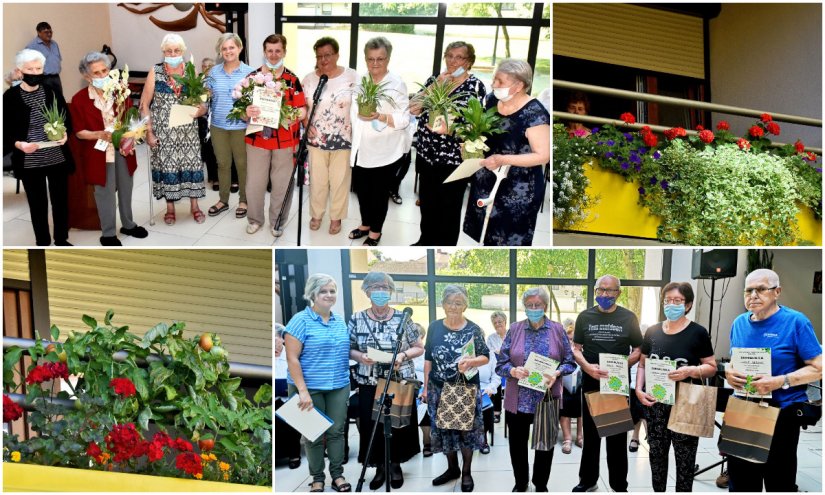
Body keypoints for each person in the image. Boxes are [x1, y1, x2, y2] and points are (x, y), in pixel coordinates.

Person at [724, 269, 822, 492]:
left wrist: (779, 381)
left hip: (781, 413)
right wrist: (729, 372)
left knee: (779, 481)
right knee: (740, 482)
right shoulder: (739, 322)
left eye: (761, 289)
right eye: (749, 290)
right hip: (743, 410)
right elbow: (734, 361)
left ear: (777, 292)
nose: (753, 295)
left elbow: (819, 368)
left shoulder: (796, 322)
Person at [636, 282, 716, 492]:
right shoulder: (652, 331)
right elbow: (643, 364)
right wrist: (638, 389)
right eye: (668, 300)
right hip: (656, 404)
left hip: (686, 403)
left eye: (678, 301)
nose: (672, 305)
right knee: (657, 456)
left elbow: (711, 367)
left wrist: (690, 371)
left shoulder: (697, 332)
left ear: (688, 305)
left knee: (685, 460)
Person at [495, 287, 576, 492]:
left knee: (545, 445)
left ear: (545, 306)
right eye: (529, 305)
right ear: (524, 307)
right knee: (517, 446)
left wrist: (557, 373)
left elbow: (570, 362)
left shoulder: (557, 329)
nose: (533, 309)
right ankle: (521, 483)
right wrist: (513, 371)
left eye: (537, 305)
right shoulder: (515, 329)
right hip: (518, 399)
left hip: (546, 398)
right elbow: (500, 364)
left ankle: (541, 484)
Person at [463, 59, 551, 246]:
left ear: (519, 85)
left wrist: (503, 159)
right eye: (494, 79)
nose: (494, 84)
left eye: (500, 81)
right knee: (484, 237)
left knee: (504, 242)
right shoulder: (492, 100)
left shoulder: (535, 113)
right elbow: (481, 130)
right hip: (487, 178)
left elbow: (543, 155)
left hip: (518, 188)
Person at [347, 272, 422, 489]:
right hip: (369, 381)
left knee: (397, 424)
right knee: (373, 425)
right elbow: (349, 349)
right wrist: (361, 356)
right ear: (367, 291)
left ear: (390, 291)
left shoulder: (403, 318)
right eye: (375, 287)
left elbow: (419, 347)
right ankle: (380, 465)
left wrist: (402, 355)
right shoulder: (356, 318)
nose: (380, 291)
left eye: (384, 287)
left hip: (398, 380)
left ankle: (396, 464)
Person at [410, 41, 486, 246]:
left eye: (459, 57)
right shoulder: (435, 79)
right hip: (427, 154)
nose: (453, 61)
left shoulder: (475, 86)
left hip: (453, 159)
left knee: (449, 208)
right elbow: (413, 108)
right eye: (449, 55)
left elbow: (477, 126)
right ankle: (425, 241)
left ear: (469, 62)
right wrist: (437, 85)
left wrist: (450, 129)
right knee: (427, 204)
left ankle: (445, 246)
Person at [69, 51, 148, 246]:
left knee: (126, 187)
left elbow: (130, 119)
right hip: (98, 152)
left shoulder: (120, 91)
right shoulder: (79, 99)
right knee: (104, 193)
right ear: (87, 76)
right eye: (97, 73)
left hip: (122, 148)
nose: (103, 75)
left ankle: (128, 224)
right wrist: (99, 134)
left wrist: (131, 138)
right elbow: (79, 132)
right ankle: (108, 233)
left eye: (105, 70)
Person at [572, 274, 642, 492]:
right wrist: (588, 367)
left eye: (609, 290)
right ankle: (588, 480)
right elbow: (576, 348)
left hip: (616, 385)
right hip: (591, 382)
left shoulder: (628, 318)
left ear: (618, 293)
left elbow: (638, 350)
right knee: (591, 436)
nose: (604, 294)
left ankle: (619, 484)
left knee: (617, 437)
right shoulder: (585, 317)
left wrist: (622, 366)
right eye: (600, 290)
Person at [283, 274, 352, 493]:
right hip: (308, 387)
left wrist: (362, 357)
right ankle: (317, 478)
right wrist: (302, 392)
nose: (329, 295)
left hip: (338, 385)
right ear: (312, 294)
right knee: (312, 434)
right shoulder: (300, 321)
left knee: (336, 432)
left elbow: (344, 351)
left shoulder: (339, 320)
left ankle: (338, 475)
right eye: (323, 291)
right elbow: (292, 358)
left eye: (332, 291)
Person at [422, 285, 490, 492]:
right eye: (449, 302)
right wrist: (426, 388)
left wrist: (471, 362)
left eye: (458, 303)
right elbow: (428, 359)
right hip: (438, 389)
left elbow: (485, 356)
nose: (453, 306)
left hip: (465, 389)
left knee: (465, 432)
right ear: (443, 304)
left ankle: (467, 472)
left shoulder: (474, 329)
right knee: (444, 430)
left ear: (465, 305)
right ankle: (452, 469)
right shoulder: (434, 327)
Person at [4, 49, 73, 246]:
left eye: (38, 68)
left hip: (57, 157)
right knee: (37, 205)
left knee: (60, 202)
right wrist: (19, 145)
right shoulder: (9, 97)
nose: (34, 73)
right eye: (29, 69)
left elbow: (66, 119)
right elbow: (5, 131)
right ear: (20, 71)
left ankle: (61, 239)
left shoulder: (52, 92)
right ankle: (42, 242)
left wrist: (65, 134)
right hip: (29, 160)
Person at [349, 37, 411, 246]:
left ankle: (375, 231)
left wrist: (380, 116)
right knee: (362, 191)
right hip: (361, 148)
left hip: (386, 151)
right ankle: (365, 224)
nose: (375, 64)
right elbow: (353, 110)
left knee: (378, 195)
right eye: (370, 59)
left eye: (380, 59)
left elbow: (404, 118)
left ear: (388, 59)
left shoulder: (396, 83)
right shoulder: (361, 80)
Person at [243, 34, 307, 237]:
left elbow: (302, 110)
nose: (273, 55)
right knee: (254, 183)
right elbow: (241, 111)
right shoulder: (252, 79)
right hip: (257, 139)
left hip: (285, 141)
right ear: (264, 52)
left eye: (277, 51)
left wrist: (289, 115)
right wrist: (248, 112)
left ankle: (277, 222)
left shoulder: (292, 80)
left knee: (281, 184)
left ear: (284, 52)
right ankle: (255, 220)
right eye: (269, 51)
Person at [140, 34, 207, 225]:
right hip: (164, 130)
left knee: (192, 165)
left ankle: (195, 206)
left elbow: (202, 102)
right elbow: (145, 103)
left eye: (177, 50)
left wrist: (200, 110)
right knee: (168, 166)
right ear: (163, 52)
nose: (173, 53)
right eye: (168, 51)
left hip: (188, 130)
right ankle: (170, 209)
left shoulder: (191, 71)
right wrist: (149, 131)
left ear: (182, 51)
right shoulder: (156, 71)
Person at [301, 37, 357, 236]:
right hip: (316, 139)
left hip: (343, 138)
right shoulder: (309, 79)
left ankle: (336, 217)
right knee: (318, 181)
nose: (323, 59)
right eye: (319, 56)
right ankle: (316, 214)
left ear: (337, 55)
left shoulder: (352, 77)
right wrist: (306, 123)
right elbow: (301, 108)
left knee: (340, 181)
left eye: (328, 55)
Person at [206, 33, 252, 219]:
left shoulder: (250, 72)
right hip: (218, 126)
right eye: (224, 48)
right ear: (220, 51)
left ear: (240, 49)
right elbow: (206, 97)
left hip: (241, 127)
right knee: (222, 164)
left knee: (242, 165)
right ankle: (223, 200)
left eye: (232, 47)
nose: (228, 51)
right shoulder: (213, 72)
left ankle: (244, 200)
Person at [274, 323, 301, 470]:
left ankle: (294, 454)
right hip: (272, 399)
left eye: (275, 340)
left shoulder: (291, 356)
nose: (274, 345)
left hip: (290, 397)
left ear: (282, 339)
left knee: (292, 415)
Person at [559, 317, 583, 454]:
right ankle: (567, 438)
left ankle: (580, 437)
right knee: (565, 403)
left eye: (573, 338)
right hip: (564, 384)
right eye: (568, 338)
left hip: (581, 384)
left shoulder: (582, 348)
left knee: (582, 405)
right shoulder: (561, 349)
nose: (571, 341)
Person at [412, 323, 433, 457]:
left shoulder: (426, 353)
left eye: (417, 335)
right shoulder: (404, 352)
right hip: (407, 387)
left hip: (424, 387)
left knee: (425, 409)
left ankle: (427, 442)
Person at [25, 22, 62, 97]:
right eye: (46, 32)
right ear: (39, 33)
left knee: (59, 99)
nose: (49, 34)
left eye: (50, 31)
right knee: (46, 99)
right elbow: (27, 65)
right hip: (43, 78)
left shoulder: (54, 44)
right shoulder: (32, 46)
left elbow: (58, 59)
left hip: (56, 77)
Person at [486, 310, 509, 423]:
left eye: (500, 321)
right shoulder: (491, 338)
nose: (498, 324)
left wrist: (500, 352)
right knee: (495, 377)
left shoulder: (512, 335)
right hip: (498, 367)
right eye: (495, 322)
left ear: (505, 321)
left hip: (511, 366)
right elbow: (489, 355)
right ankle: (496, 411)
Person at [477, 344, 499, 455]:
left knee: (485, 406)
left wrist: (491, 388)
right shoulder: (462, 353)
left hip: (484, 389)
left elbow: (496, 375)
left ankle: (483, 438)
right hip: (464, 388)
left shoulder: (490, 355)